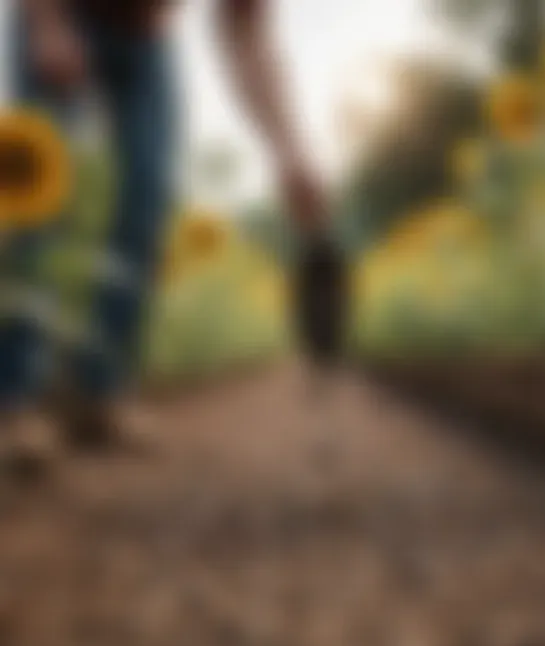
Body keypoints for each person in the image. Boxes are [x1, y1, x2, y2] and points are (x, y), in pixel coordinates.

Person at [0, 0, 328, 470]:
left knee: (148, 193)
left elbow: (249, 41)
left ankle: (102, 392)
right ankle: (14, 400)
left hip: (147, 38)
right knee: (42, 195)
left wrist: (291, 154)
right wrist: (47, 24)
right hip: (62, 10)